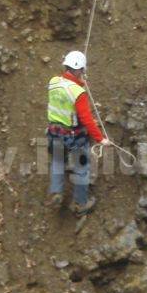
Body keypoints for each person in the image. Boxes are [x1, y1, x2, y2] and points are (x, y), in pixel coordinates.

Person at [47, 51, 111, 215]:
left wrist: (78, 82)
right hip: (74, 137)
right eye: (82, 70)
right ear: (80, 69)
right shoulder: (78, 93)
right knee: (82, 168)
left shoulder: (53, 82)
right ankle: (80, 203)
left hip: (54, 133)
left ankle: (56, 192)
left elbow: (65, 101)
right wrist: (100, 139)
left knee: (57, 162)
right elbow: (86, 118)